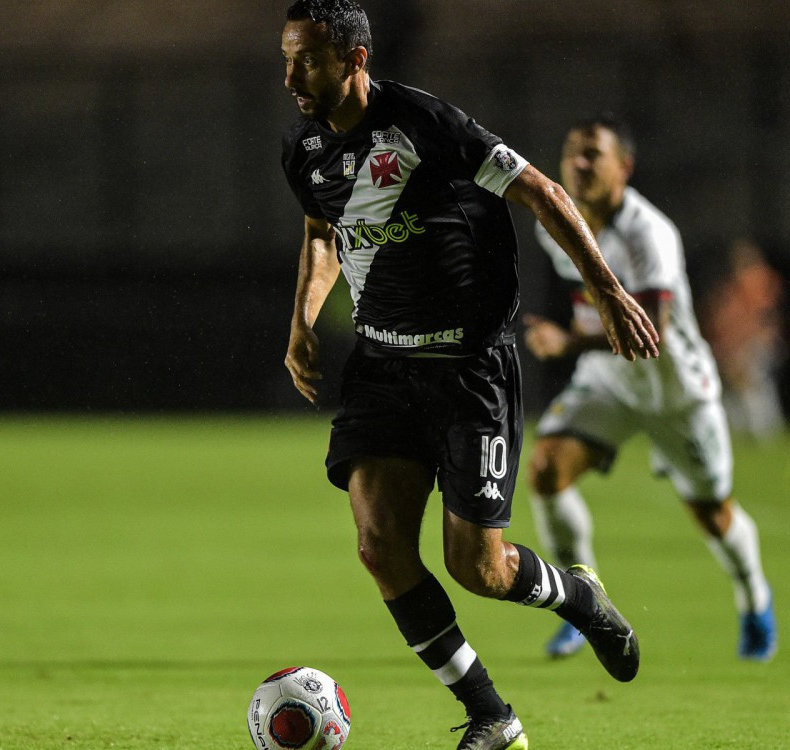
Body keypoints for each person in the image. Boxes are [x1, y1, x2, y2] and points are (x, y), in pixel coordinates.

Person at [278, 3, 660, 749]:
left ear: (356, 59)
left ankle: (578, 596)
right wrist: (301, 322)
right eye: (287, 59)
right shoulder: (303, 150)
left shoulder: (425, 125)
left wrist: (610, 293)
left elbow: (544, 193)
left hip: (468, 369)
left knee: (476, 567)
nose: (292, 76)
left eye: (309, 60)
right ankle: (493, 715)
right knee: (378, 547)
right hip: (383, 367)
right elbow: (324, 231)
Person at [523, 117, 778, 663]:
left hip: (675, 389)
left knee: (712, 512)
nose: (579, 164)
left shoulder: (648, 232)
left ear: (624, 167)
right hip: (609, 383)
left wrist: (566, 343)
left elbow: (650, 329)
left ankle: (754, 595)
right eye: (572, 153)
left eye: (593, 154)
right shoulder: (554, 223)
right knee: (545, 469)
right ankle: (580, 605)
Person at [701, 238, 786, 440]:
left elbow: (767, 316)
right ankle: (745, 431)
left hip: (755, 342)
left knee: (754, 386)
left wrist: (759, 340)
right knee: (738, 388)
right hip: (735, 344)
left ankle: (765, 431)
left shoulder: (760, 280)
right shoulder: (733, 286)